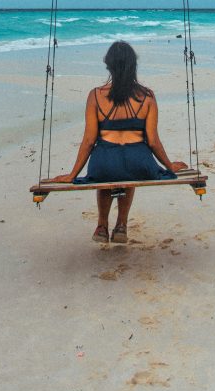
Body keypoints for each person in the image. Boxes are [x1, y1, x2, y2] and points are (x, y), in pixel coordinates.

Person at [50, 41, 187, 243]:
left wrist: (73, 174)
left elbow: (89, 140)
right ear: (134, 66)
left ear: (109, 66)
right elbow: (153, 141)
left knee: (105, 174)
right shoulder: (147, 96)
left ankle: (102, 227)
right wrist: (170, 166)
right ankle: (121, 225)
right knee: (130, 171)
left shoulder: (96, 96)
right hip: (139, 162)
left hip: (104, 161)